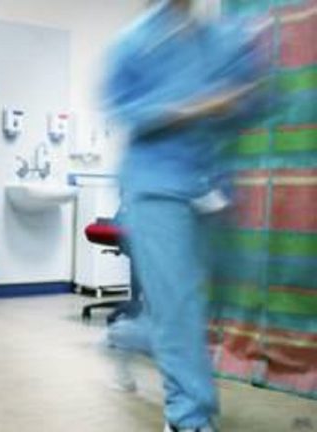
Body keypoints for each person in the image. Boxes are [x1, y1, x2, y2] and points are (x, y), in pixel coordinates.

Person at [103, 1, 267, 431]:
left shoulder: (223, 37)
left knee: (205, 303)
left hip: (210, 187)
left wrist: (251, 83)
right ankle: (187, 418)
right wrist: (195, 108)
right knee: (179, 309)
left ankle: (125, 336)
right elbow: (122, 109)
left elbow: (254, 102)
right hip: (155, 187)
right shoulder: (134, 41)